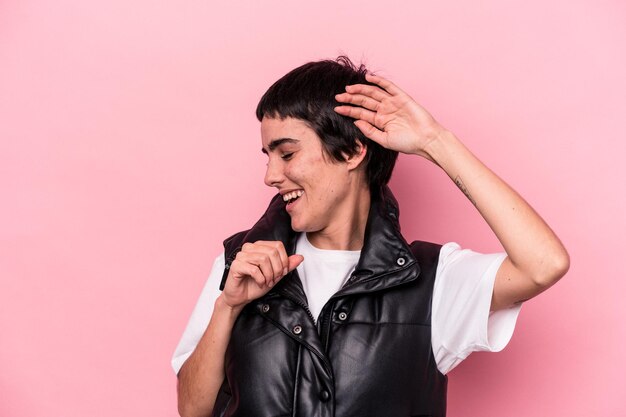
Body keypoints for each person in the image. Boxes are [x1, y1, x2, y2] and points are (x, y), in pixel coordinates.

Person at [172, 57, 569, 417]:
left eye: (287, 153)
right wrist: (227, 306)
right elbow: (192, 410)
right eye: (267, 156)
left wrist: (435, 142)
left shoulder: (432, 280)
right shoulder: (239, 261)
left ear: (351, 152)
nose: (271, 175)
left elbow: (543, 264)